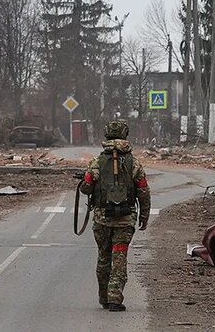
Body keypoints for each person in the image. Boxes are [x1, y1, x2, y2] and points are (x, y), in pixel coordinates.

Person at [79, 119, 150, 312]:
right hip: (125, 220)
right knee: (119, 256)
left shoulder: (97, 162)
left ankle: (104, 297)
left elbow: (86, 189)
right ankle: (115, 299)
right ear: (126, 135)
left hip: (102, 219)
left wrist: (86, 181)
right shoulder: (134, 163)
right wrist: (144, 215)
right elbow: (143, 191)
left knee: (103, 256)